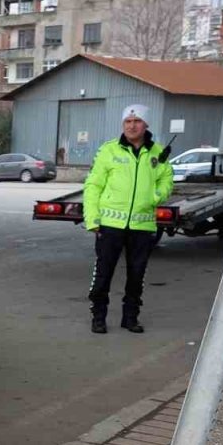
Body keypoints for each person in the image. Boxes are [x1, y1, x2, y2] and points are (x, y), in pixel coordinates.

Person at [84, 104, 174, 334]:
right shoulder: (109, 150)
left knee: (137, 274)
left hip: (142, 226)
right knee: (103, 273)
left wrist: (155, 196)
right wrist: (92, 219)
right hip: (110, 225)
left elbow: (167, 180)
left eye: (137, 121)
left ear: (146, 125)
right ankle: (99, 316)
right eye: (128, 122)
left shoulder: (157, 153)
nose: (132, 126)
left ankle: (130, 317)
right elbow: (93, 185)